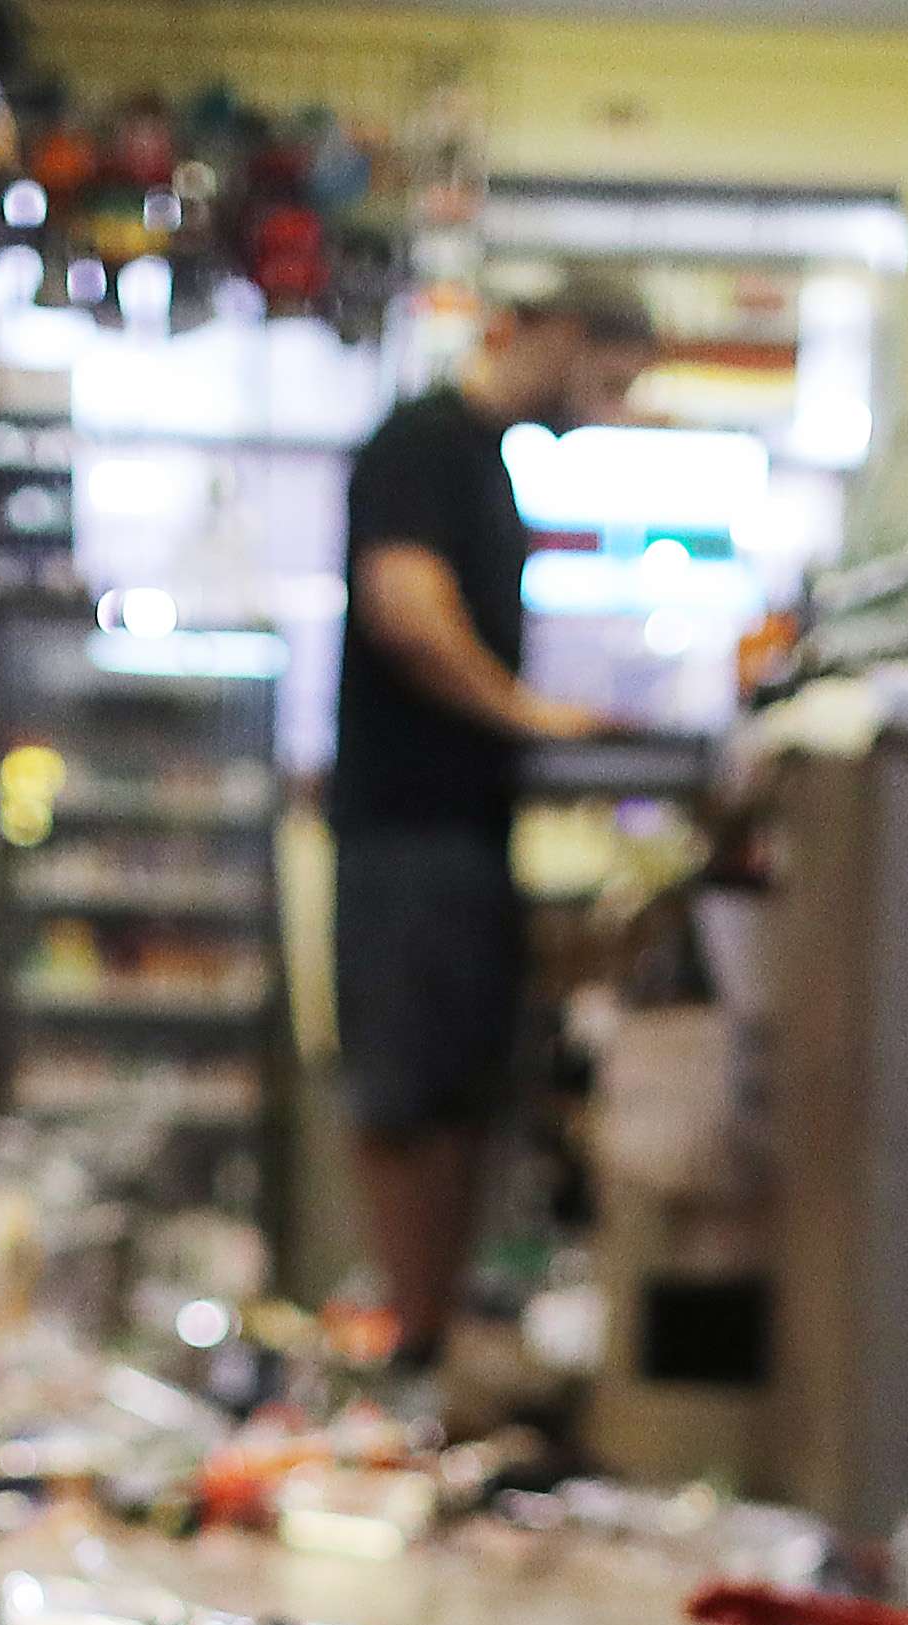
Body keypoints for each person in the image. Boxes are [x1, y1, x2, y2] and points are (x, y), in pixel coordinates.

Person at [328, 271, 656, 1371]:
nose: (603, 408)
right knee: (409, 1089)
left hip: (460, 829)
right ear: (558, 335)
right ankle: (412, 1342)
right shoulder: (421, 441)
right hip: (406, 827)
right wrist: (528, 715)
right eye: (604, 379)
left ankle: (428, 1340)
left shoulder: (487, 463)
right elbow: (406, 613)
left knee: (458, 1089)